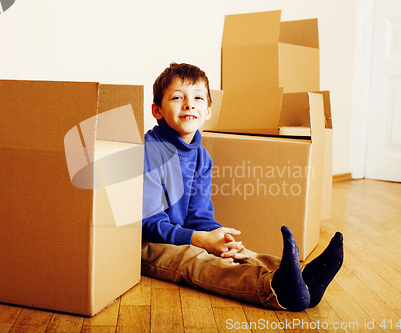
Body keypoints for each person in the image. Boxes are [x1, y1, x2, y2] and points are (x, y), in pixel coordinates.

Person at [141, 62, 343, 311]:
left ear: (208, 111)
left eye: (198, 98)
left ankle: (300, 277)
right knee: (194, 260)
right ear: (157, 110)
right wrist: (200, 240)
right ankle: (275, 289)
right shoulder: (149, 151)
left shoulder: (202, 157)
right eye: (177, 98)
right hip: (147, 242)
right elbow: (148, 222)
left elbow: (200, 215)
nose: (189, 104)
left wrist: (220, 238)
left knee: (237, 251)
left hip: (184, 235)